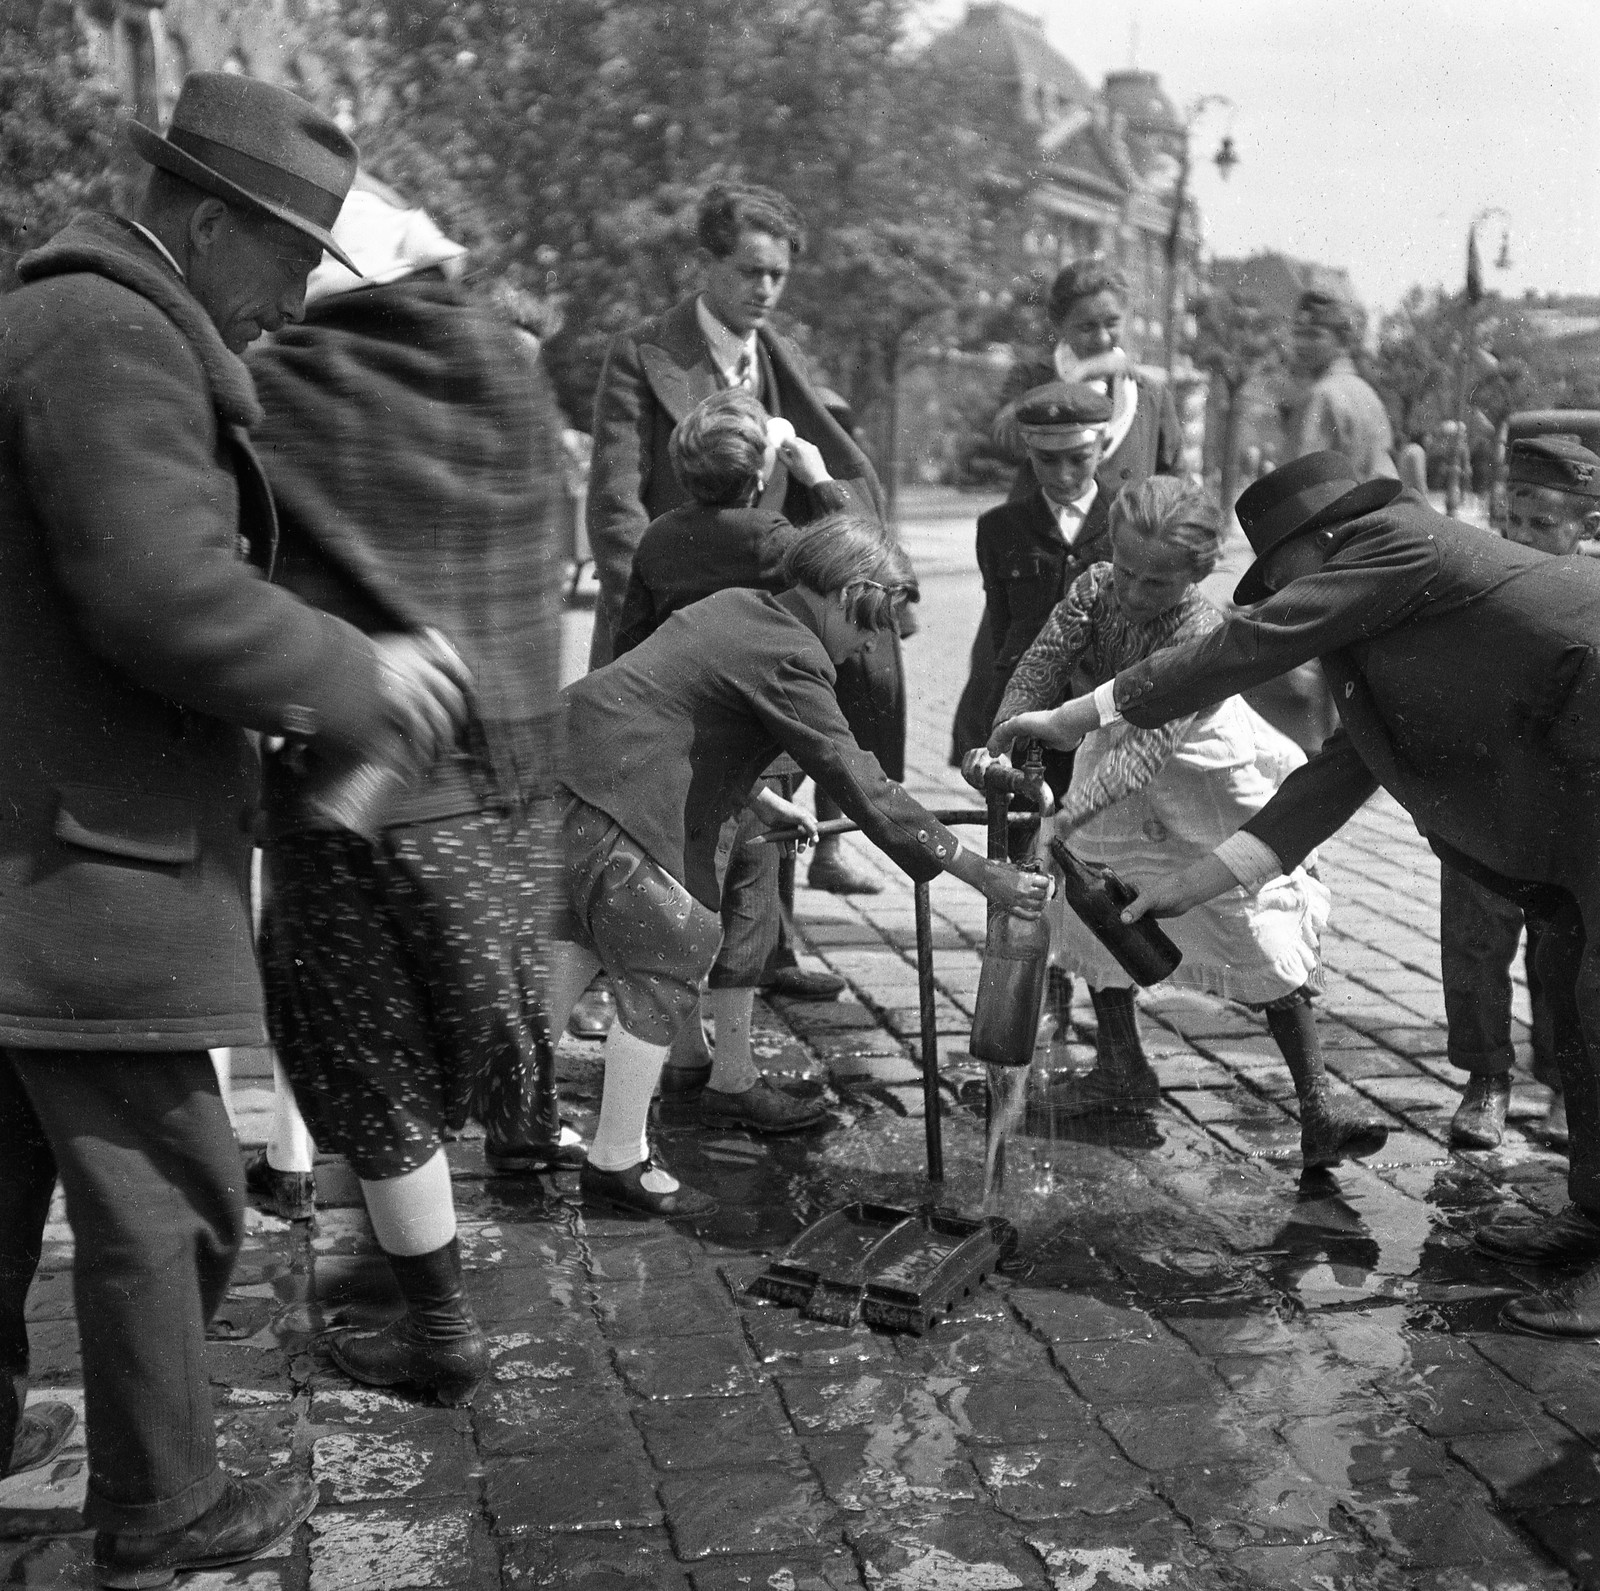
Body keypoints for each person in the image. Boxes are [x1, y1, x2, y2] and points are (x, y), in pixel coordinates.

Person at [0, 73, 472, 1588]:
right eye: (288, 260)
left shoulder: (92, 321)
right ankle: (160, 1504)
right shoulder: (112, 335)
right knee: (173, 1179)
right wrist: (358, 676)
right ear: (210, 224)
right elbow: (163, 593)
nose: (293, 302)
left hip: (48, 832)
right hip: (75, 856)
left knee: (9, 1163)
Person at [987, 450, 1600, 1340]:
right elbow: (1341, 772)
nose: (1283, 596)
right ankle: (1589, 1214)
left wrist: (1080, 715)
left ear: (1327, 541)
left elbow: (1248, 643)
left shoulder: (1405, 546)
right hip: (1576, 807)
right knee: (1577, 999)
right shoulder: (1377, 628)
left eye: (1285, 575)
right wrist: (1193, 884)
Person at [245, 176, 576, 1408]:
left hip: (353, 783)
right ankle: (403, 1281)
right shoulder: (505, 371)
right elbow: (534, 557)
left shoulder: (283, 382)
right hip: (497, 780)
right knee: (454, 1042)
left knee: (369, 1062)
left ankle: (432, 1323)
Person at [552, 516, 1051, 1218]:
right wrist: (977, 870)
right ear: (851, 592)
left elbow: (683, 705)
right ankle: (617, 1159)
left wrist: (759, 797)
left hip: (569, 768)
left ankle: (518, 1119)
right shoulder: (794, 653)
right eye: (876, 620)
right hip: (623, 789)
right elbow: (860, 781)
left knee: (573, 946)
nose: (874, 640)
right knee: (672, 947)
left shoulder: (738, 607)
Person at [976, 478, 1385, 1167]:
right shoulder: (1096, 587)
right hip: (1112, 746)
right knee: (1093, 907)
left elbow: (1147, 754)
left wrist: (1061, 819)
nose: (1133, 593)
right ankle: (1120, 1066)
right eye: (1128, 571)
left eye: (1156, 582)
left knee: (1247, 914)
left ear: (1197, 574)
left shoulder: (1202, 628)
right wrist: (1003, 739)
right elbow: (1042, 666)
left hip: (1200, 770)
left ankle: (1318, 1103)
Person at [586, 180, 901, 905]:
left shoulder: (777, 360)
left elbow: (836, 470)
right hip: (665, 616)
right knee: (655, 800)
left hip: (760, 622)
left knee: (766, 779)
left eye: (778, 275)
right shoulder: (642, 353)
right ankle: (621, 955)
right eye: (749, 270)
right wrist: (661, 609)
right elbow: (614, 502)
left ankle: (770, 951)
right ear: (708, 264)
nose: (765, 289)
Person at [613, 388, 844, 1130]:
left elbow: (630, 640)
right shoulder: (772, 535)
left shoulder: (655, 538)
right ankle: (735, 1073)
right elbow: (854, 561)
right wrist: (816, 477)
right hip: (758, 743)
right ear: (757, 475)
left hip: (677, 740)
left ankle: (686, 1052)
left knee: (692, 890)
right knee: (751, 898)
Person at [952, 259, 1182, 767]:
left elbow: (1171, 472)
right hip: (1042, 545)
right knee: (1021, 656)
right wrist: (1075, 384)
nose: (1102, 336)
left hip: (1117, 548)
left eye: (1111, 322)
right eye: (1086, 325)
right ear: (1059, 327)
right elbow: (1006, 435)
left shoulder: (1149, 391)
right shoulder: (1033, 375)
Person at [1441, 436, 1600, 1147]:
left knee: (1564, 945)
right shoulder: (1476, 585)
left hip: (1570, 809)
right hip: (1485, 794)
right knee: (1475, 937)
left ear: (1586, 531)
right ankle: (1485, 1078)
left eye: (1546, 526)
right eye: (1516, 520)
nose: (1524, 538)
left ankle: (1568, 1086)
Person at [1284, 290, 1398, 481]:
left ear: (1342, 341)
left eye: (1314, 335)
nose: (1301, 344)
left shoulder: (1320, 396)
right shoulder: (1368, 395)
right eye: (1298, 334)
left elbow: (1301, 482)